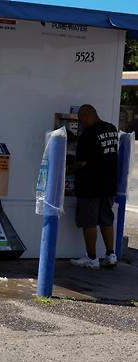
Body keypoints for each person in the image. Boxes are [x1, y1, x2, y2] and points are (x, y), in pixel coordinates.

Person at [68, 104, 118, 269]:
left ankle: (92, 258)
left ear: (87, 116)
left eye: (81, 120)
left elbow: (81, 162)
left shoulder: (87, 135)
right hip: (109, 184)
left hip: (90, 185)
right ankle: (111, 255)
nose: (80, 124)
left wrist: (65, 170)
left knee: (89, 222)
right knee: (106, 219)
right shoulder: (111, 129)